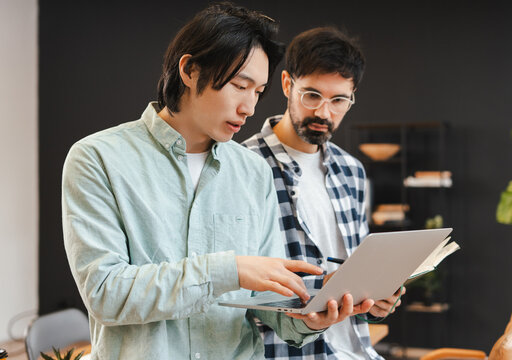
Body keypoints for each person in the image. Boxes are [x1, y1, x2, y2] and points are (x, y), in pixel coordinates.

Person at [62, 4, 374, 360]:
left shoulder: (252, 172)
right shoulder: (98, 158)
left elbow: (265, 303)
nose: (249, 108)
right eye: (240, 86)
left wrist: (310, 316)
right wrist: (230, 270)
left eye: (257, 92)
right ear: (190, 70)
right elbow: (105, 294)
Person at [243, 27, 404, 359]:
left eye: (339, 100)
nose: (324, 113)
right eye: (311, 95)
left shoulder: (352, 171)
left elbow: (357, 270)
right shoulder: (244, 167)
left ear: (352, 96)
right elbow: (239, 284)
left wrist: (377, 300)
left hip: (355, 350)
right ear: (287, 84)